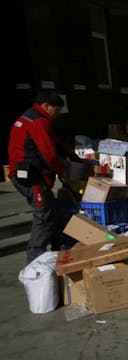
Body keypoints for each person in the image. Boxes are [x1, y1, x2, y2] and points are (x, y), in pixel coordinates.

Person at [8, 90, 75, 263]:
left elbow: (54, 143)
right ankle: (35, 258)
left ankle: (60, 247)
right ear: (46, 106)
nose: (57, 115)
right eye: (56, 110)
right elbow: (49, 153)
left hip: (22, 173)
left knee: (51, 209)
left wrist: (73, 156)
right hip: (32, 176)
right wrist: (63, 170)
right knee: (44, 212)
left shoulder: (26, 118)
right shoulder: (39, 122)